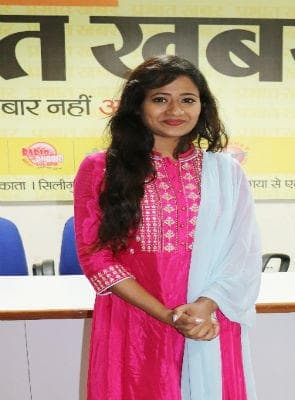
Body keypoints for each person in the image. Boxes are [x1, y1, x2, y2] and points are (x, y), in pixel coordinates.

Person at [73, 55, 261, 400]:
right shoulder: (102, 168)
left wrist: (204, 307)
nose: (175, 110)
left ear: (202, 107)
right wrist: (168, 316)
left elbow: (242, 251)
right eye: (160, 99)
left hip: (208, 317)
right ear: (137, 105)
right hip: (135, 323)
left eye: (188, 99)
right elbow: (95, 258)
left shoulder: (225, 172)